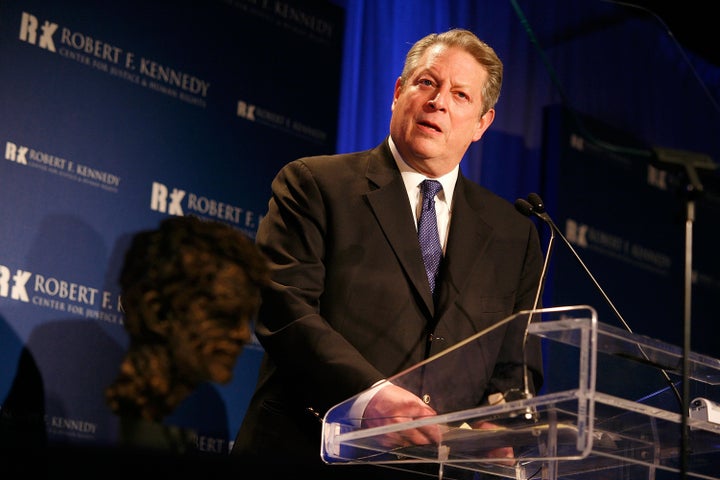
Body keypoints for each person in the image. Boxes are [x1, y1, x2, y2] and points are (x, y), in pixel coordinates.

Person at [231, 28, 544, 476]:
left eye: (460, 95)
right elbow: (284, 307)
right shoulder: (317, 184)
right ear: (399, 92)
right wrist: (369, 397)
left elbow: (516, 364)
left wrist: (500, 429)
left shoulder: (513, 233)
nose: (438, 101)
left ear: (482, 124)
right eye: (427, 83)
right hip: (308, 449)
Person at [105, 215, 270, 454]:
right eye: (224, 316)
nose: (244, 335)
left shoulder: (206, 407)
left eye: (246, 319)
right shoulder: (121, 420)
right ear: (158, 312)